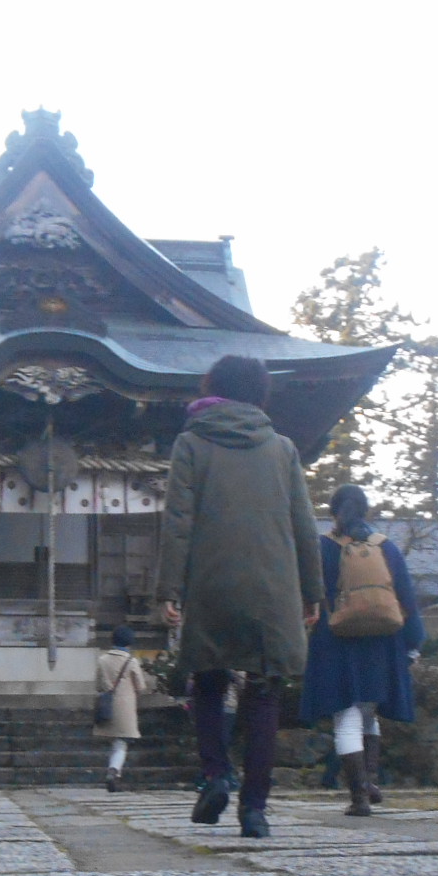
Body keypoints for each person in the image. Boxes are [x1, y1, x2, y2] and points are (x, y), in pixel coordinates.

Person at [157, 354, 323, 839]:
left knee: (208, 680)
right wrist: (311, 591)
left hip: (211, 581)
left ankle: (215, 774)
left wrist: (170, 589)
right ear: (260, 394)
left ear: (213, 387)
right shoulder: (282, 449)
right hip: (272, 585)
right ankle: (255, 810)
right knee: (264, 691)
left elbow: (178, 522)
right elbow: (303, 527)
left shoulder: (191, 443)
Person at [302, 485, 423, 816]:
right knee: (368, 712)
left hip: (337, 640)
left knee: (346, 716)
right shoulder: (385, 547)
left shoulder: (323, 548)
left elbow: (309, 593)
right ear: (366, 511)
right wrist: (413, 642)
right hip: (383, 641)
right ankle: (369, 782)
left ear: (334, 511)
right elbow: (407, 599)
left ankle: (358, 798)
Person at [93, 624, 150, 791]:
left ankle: (113, 771)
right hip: (125, 706)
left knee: (114, 741)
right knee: (121, 742)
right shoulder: (131, 661)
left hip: (107, 705)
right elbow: (140, 687)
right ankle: (114, 771)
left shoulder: (102, 660)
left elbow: (98, 685)